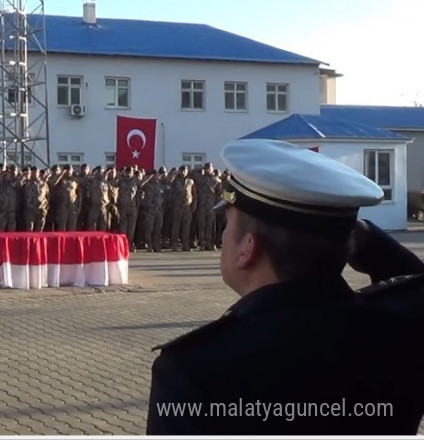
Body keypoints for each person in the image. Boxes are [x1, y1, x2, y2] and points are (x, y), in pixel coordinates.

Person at [146, 139, 424, 435]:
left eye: (227, 226)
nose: (224, 236)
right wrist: (358, 237)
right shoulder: (399, 329)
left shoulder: (193, 369)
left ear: (247, 249)